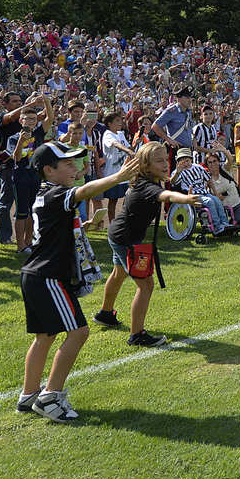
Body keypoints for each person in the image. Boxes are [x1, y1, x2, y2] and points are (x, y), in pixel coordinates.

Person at [17, 141, 140, 421]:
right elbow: (83, 192)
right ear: (49, 170)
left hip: (36, 275)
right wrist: (119, 177)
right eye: (68, 164)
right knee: (79, 332)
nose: (76, 169)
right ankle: (50, 398)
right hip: (49, 277)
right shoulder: (55, 193)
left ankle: (29, 395)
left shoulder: (46, 194)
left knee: (45, 336)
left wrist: (82, 227)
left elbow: (51, 229)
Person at [95, 142, 201, 346]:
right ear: (145, 165)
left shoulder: (147, 180)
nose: (165, 164)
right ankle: (137, 335)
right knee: (146, 285)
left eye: (166, 160)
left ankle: (105, 314)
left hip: (119, 234)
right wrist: (185, 199)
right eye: (159, 161)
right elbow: (165, 195)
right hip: (125, 239)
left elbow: (165, 189)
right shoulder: (147, 186)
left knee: (118, 273)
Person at [5, 105, 53, 252]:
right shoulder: (13, 138)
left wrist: (46, 100)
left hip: (35, 175)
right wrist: (21, 140)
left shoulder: (38, 133)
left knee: (33, 210)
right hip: (21, 176)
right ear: (21, 120)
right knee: (21, 212)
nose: (31, 122)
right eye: (28, 119)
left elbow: (50, 118)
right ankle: (20, 245)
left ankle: (28, 241)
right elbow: (16, 157)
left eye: (34, 119)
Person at [100, 110, 134, 223]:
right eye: (117, 121)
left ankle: (124, 221)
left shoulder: (120, 133)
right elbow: (116, 144)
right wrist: (128, 150)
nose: (120, 123)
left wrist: (134, 144)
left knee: (128, 198)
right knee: (113, 201)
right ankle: (112, 224)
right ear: (109, 123)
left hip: (124, 173)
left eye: (121, 120)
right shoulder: (107, 134)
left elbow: (129, 148)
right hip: (112, 173)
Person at [152, 87, 195, 159]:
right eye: (187, 97)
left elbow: (189, 128)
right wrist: (169, 140)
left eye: (190, 97)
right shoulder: (171, 111)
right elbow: (155, 126)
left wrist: (194, 139)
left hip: (188, 150)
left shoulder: (189, 111)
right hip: (176, 149)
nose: (190, 100)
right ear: (179, 98)